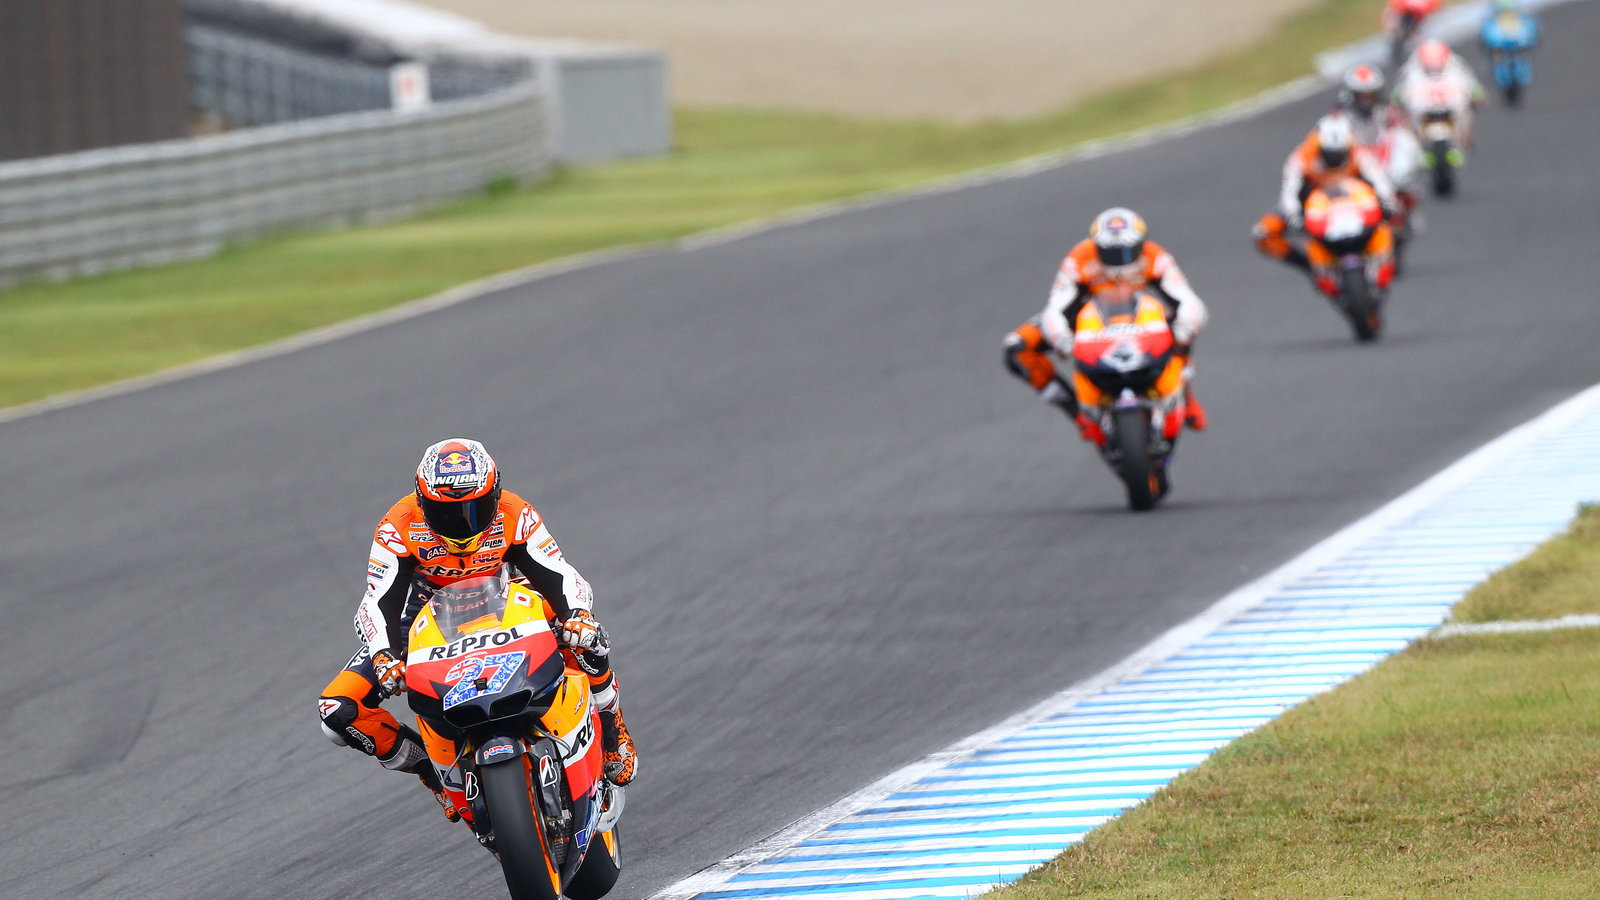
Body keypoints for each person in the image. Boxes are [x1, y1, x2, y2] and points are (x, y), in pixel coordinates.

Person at [317, 438, 636, 823]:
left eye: (475, 507)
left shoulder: (515, 512)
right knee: (337, 710)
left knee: (586, 636)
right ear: (422, 501)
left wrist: (578, 613)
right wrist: (384, 654)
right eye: (447, 512)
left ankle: (612, 728)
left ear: (495, 492)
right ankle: (431, 772)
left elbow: (559, 572)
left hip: (511, 599)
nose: (463, 523)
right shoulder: (397, 526)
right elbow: (377, 600)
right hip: (424, 619)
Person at [1004, 207, 1210, 436]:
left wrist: (1186, 325)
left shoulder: (1155, 256)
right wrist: (1060, 336)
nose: (1120, 261)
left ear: (1141, 243)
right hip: (1086, 317)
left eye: (1128, 250)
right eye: (1111, 253)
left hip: (1140, 314)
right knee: (1016, 348)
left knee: (1180, 324)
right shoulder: (1079, 258)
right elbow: (1055, 306)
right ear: (1097, 245)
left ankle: (1184, 393)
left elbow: (1187, 298)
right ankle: (1076, 412)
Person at [1252, 114, 1399, 281]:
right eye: (1329, 154)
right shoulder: (1302, 156)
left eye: (1339, 154)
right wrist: (1294, 214)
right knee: (1263, 233)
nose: (1334, 159)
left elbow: (1379, 178)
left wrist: (1387, 200)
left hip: (1354, 199)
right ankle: (1310, 266)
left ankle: (1382, 258)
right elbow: (1289, 190)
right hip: (1313, 204)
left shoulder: (1358, 151)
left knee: (1393, 213)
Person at [1336, 65, 1423, 249]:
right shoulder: (1340, 117)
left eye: (1370, 94)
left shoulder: (1389, 112)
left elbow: (1405, 133)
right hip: (1357, 163)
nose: (1367, 100)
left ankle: (1406, 213)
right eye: (1362, 95)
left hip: (1384, 159)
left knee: (1404, 180)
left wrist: (1411, 152)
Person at [1394, 39, 1486, 149]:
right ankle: (1415, 144)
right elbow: (1398, 91)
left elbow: (1472, 84)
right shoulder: (1411, 70)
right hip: (1423, 110)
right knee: (1403, 117)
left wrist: (1476, 94)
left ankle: (1465, 138)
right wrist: (1398, 101)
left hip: (1450, 108)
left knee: (1466, 111)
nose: (1434, 68)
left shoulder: (1456, 65)